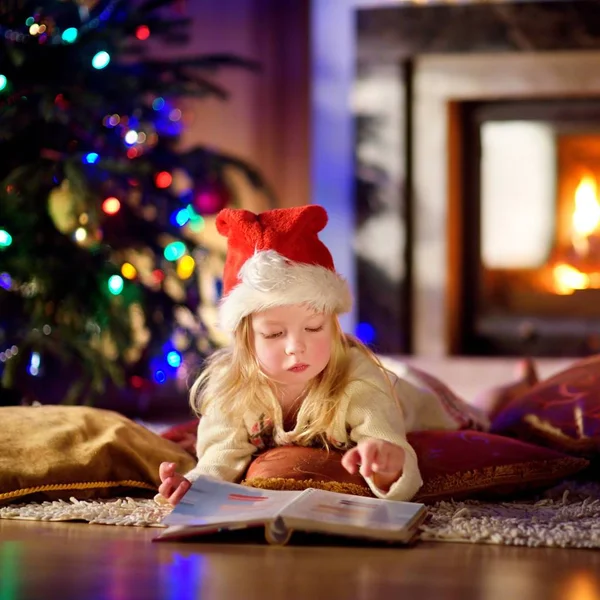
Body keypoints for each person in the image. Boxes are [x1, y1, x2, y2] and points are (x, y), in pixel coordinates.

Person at [158, 204, 464, 506]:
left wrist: (387, 464)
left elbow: (387, 443)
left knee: (481, 411)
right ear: (244, 340)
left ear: (332, 325)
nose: (295, 347)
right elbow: (217, 459)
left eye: (314, 328)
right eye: (275, 334)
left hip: (413, 397)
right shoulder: (231, 387)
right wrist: (193, 487)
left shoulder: (359, 380)